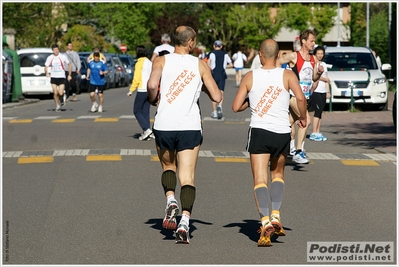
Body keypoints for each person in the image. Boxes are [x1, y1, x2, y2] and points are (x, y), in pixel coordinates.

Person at [147, 25, 222, 244]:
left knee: (168, 167)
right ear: (190, 43)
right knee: (187, 176)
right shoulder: (200, 64)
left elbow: (152, 84)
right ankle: (185, 222)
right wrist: (202, 86)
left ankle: (171, 199)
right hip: (189, 125)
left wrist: (154, 99)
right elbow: (216, 95)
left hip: (164, 123)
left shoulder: (161, 60)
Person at [232, 39, 307, 247]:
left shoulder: (250, 76)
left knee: (259, 179)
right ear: (278, 55)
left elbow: (236, 106)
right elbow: (300, 98)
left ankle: (265, 221)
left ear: (260, 55)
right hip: (282, 132)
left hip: (259, 132)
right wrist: (304, 117)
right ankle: (276, 216)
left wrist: (253, 101)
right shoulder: (288, 75)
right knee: (278, 175)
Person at [277, 29, 324, 164]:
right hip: (293, 96)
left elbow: (313, 77)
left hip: (306, 96)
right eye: (311, 41)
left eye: (314, 41)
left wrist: (319, 73)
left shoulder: (313, 59)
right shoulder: (294, 56)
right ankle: (298, 151)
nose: (314, 44)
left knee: (288, 123)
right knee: (306, 120)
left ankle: (279, 149)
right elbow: (276, 62)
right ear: (303, 41)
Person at [127, 45, 154, 141]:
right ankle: (147, 131)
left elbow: (137, 78)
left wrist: (131, 90)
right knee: (145, 111)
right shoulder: (150, 62)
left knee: (137, 110)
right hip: (150, 89)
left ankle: (146, 130)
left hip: (142, 89)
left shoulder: (139, 63)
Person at [207, 40, 233, 119]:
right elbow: (231, 64)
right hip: (222, 74)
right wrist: (225, 66)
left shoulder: (211, 53)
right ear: (221, 46)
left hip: (214, 75)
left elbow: (208, 64)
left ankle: (214, 112)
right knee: (221, 92)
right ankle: (220, 106)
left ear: (214, 46)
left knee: (213, 93)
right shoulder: (225, 54)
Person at [309, 46, 330, 141]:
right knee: (317, 112)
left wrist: (328, 91)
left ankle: (318, 131)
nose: (320, 55)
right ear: (315, 54)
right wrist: (324, 78)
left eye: (322, 53)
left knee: (320, 112)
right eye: (318, 53)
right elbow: (314, 76)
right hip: (316, 90)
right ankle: (313, 132)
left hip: (323, 91)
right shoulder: (313, 64)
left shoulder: (324, 64)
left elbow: (327, 79)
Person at [45, 43, 72, 112]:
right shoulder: (50, 57)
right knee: (55, 93)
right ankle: (57, 105)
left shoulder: (62, 56)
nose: (56, 51)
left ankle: (63, 97)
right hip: (53, 77)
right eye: (54, 50)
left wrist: (69, 74)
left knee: (60, 93)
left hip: (61, 76)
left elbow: (70, 65)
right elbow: (46, 66)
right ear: (52, 50)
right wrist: (47, 73)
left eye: (57, 49)